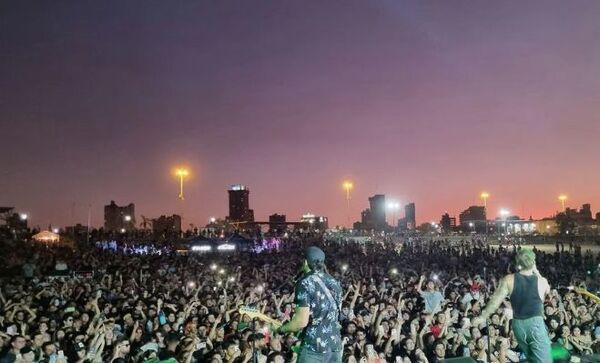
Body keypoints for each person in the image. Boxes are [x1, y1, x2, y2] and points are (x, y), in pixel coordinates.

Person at [473, 248, 551, 363]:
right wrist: (536, 271)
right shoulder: (541, 281)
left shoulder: (509, 279)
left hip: (518, 325)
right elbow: (548, 290)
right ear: (533, 262)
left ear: (518, 263)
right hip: (535, 324)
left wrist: (482, 317)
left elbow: (495, 301)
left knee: (532, 359)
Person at [276, 246, 343, 363]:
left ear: (305, 262)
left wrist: (281, 329)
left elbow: (301, 322)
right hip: (335, 346)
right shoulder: (334, 282)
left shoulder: (305, 283)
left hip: (314, 348)